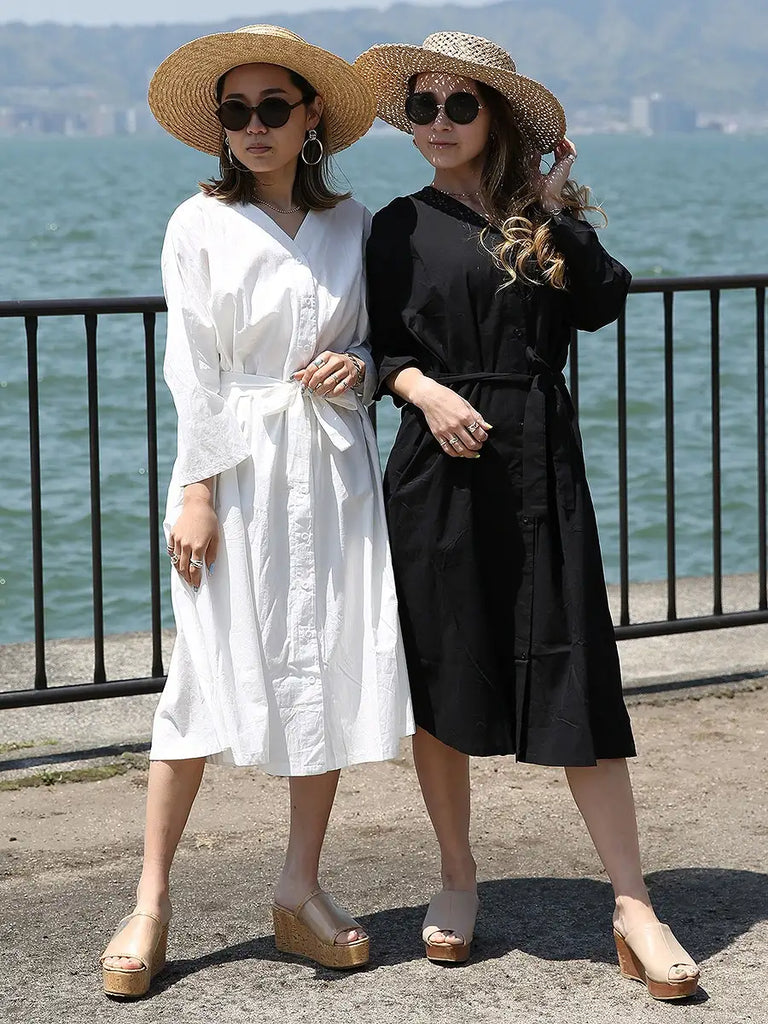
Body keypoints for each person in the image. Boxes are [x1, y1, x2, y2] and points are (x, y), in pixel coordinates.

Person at [355, 31, 699, 1000]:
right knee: (440, 674)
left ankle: (632, 902)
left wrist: (551, 206)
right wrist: (424, 391)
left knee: (576, 668)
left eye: (459, 105)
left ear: (495, 117)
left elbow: (602, 302)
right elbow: (380, 347)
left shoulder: (537, 220)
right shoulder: (394, 225)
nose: (438, 122)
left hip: (541, 468)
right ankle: (457, 875)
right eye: (422, 106)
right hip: (437, 470)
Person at [99, 24, 413, 998]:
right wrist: (195, 491)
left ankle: (299, 887)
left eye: (273, 107)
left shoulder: (356, 223)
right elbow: (191, 368)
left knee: (324, 666)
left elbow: (383, 343)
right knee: (197, 678)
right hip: (232, 471)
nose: (254, 126)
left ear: (311, 116)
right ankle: (150, 900)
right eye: (236, 111)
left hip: (332, 468)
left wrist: (358, 365)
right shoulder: (197, 223)